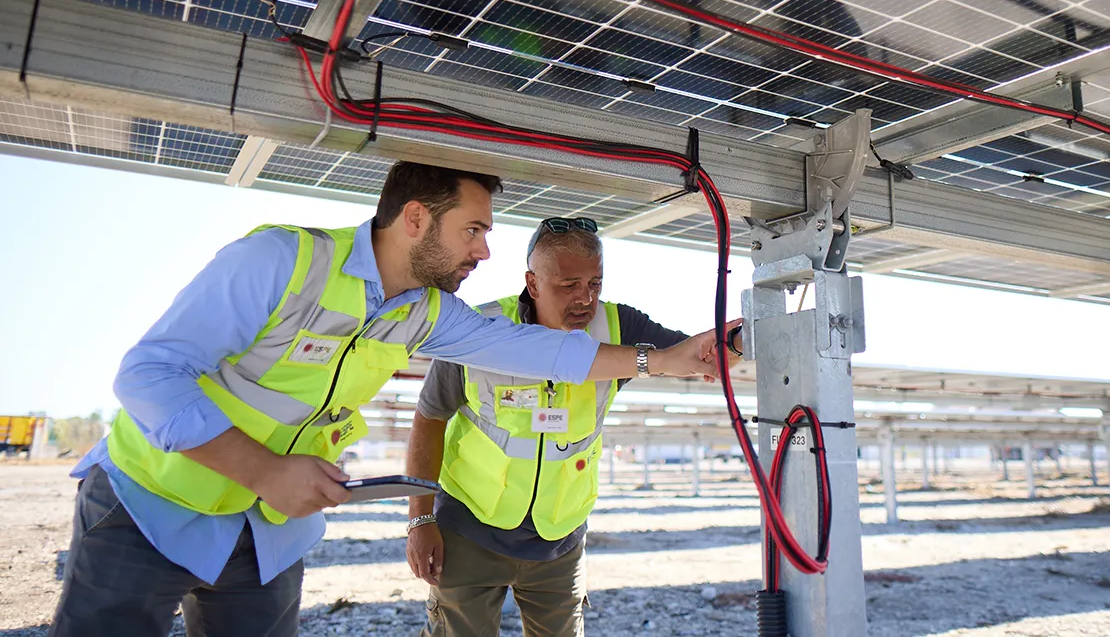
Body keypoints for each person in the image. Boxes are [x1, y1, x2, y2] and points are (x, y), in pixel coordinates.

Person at [50, 162, 730, 637]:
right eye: (473, 230)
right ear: (415, 220)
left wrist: (658, 357)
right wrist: (265, 470)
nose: (484, 251)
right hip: (150, 506)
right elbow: (147, 375)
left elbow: (538, 351)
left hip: (262, 531)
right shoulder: (280, 263)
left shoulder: (426, 313)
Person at [405, 216, 744, 637]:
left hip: (559, 537)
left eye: (595, 283)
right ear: (532, 283)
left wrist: (741, 342)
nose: (585, 298)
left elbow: (696, 354)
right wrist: (420, 520)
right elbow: (430, 416)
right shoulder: (482, 330)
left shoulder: (619, 327)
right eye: (569, 285)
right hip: (470, 527)